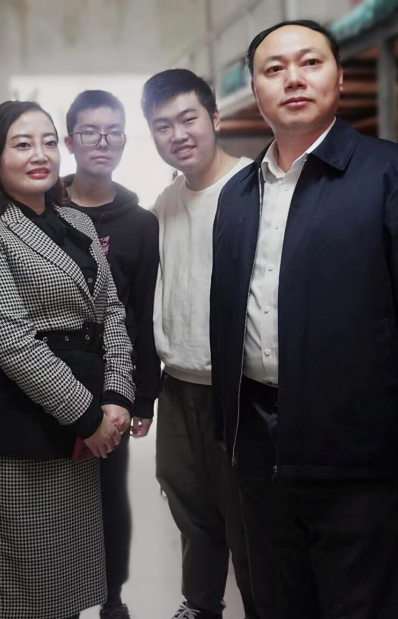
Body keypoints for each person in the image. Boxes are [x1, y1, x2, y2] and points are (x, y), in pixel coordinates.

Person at [210, 20, 398, 619]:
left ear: (340, 77)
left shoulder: (396, 176)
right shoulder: (238, 194)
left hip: (360, 456)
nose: (293, 79)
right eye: (274, 69)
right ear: (254, 89)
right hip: (260, 452)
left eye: (310, 62)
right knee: (276, 604)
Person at [0, 100, 135, 619]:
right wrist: (89, 418)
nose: (40, 154)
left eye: (49, 142)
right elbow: (13, 343)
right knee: (26, 592)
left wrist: (117, 396)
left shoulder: (76, 221)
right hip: (24, 430)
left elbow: (111, 313)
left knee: (67, 588)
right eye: (22, 144)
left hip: (84, 429)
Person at [142, 69, 253, 619]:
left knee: (248, 515)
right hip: (178, 386)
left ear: (215, 117)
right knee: (188, 501)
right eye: (162, 126)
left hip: (241, 389)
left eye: (188, 119)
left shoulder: (254, 189)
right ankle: (201, 605)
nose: (177, 134)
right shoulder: (164, 202)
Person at [62, 89, 160, 619]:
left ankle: (112, 597)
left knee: (108, 495)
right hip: (48, 378)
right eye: (90, 131)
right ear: (70, 140)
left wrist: (143, 396)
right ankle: (57, 599)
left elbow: (142, 312)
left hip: (112, 386)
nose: (102, 142)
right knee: (52, 496)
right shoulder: (42, 209)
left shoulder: (140, 223)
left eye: (113, 132)